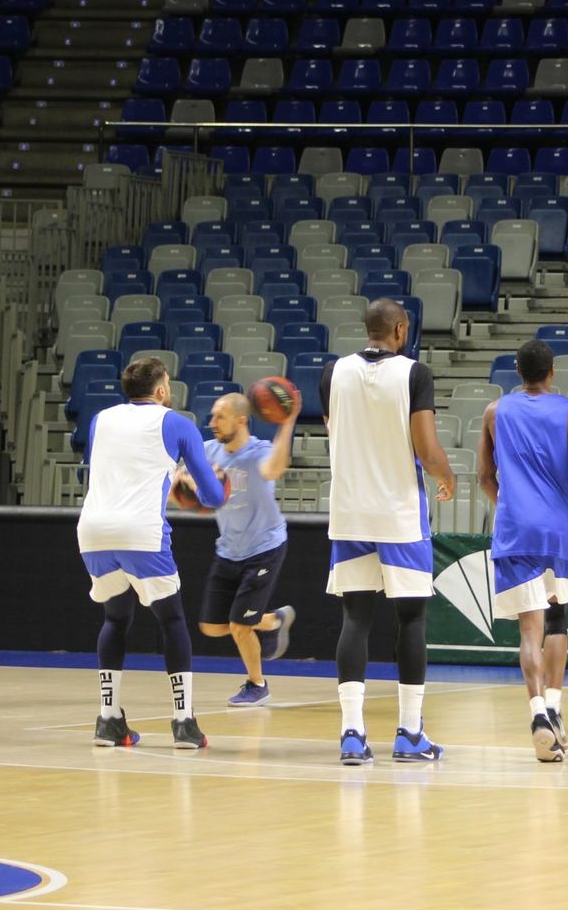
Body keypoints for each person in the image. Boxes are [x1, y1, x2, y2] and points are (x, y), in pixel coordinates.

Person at [321, 298, 456, 765]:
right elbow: (425, 444)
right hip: (398, 513)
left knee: (355, 619)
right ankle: (410, 732)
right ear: (400, 329)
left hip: (349, 511)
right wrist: (446, 474)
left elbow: (335, 431)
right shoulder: (414, 373)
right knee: (411, 619)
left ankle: (352, 734)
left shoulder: (332, 373)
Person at [479, 340, 568, 762]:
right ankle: (557, 710)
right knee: (557, 615)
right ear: (552, 372)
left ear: (517, 371)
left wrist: (512, 507)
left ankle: (538, 713)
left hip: (514, 528)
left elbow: (484, 477)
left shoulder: (494, 411)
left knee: (530, 628)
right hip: (560, 528)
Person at [77, 356, 226, 749]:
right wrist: (193, 482)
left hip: (93, 529)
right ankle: (183, 723)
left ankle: (108, 720)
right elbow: (212, 495)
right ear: (161, 391)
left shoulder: (100, 419)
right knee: (171, 620)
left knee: (115, 618)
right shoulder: (176, 422)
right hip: (141, 530)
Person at [186, 392, 299, 707]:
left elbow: (275, 468)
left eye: (219, 417)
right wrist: (184, 483)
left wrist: (287, 423)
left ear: (240, 420)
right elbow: (176, 486)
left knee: (238, 626)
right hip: (228, 550)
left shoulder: (259, 452)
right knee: (210, 627)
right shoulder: (207, 452)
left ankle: (257, 684)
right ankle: (272, 620)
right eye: (211, 417)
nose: (212, 423)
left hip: (264, 548)